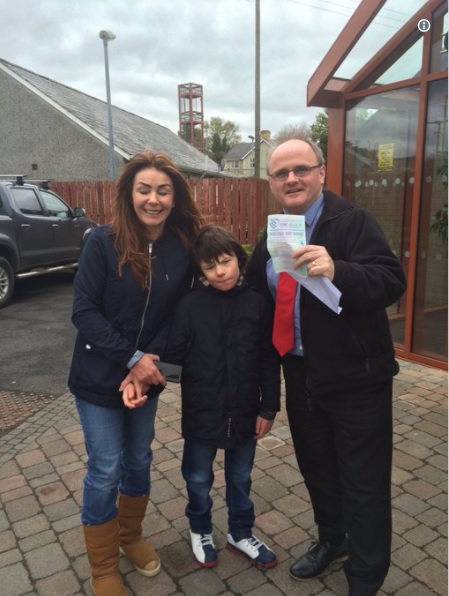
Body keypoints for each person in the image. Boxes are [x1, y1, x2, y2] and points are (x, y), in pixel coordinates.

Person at [245, 138, 406, 596]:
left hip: (357, 379)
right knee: (318, 469)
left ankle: (365, 577)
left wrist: (339, 270)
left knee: (364, 484)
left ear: (321, 172)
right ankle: (333, 540)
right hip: (300, 375)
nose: (292, 178)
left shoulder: (350, 222)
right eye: (281, 173)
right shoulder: (277, 230)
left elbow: (392, 280)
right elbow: (257, 291)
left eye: (301, 169)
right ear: (273, 184)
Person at [68, 150, 204, 596]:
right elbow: (84, 311)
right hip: (97, 375)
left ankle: (130, 537)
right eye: (144, 189)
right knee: (105, 468)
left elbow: (177, 313)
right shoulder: (100, 242)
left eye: (163, 191)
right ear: (129, 194)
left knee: (139, 460)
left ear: (174, 196)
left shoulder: (182, 247)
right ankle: (103, 566)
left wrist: (147, 365)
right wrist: (131, 359)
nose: (153, 199)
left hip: (147, 375)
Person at [124, 225, 281, 570]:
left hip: (246, 412)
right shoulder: (190, 305)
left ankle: (240, 532)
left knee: (240, 478)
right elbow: (174, 358)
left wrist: (269, 406)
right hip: (201, 413)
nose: (220, 271)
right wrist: (146, 381)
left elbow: (269, 360)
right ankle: (200, 529)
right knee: (197, 478)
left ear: (238, 260)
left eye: (225, 262)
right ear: (201, 271)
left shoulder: (257, 303)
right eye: (210, 267)